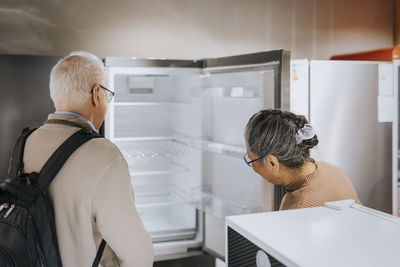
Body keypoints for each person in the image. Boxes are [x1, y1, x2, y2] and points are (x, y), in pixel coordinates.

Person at [23, 51, 153, 266]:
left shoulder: (26, 142)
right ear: (96, 94)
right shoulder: (103, 154)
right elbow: (138, 253)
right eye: (107, 95)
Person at [244, 109, 361, 210]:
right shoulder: (331, 169)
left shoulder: (299, 208)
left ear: (272, 162)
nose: (253, 167)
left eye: (251, 160)